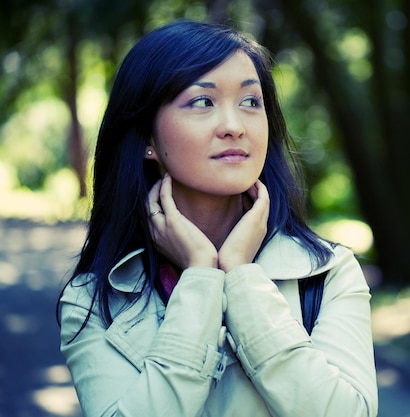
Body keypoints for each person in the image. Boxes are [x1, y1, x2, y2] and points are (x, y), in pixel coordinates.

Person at [57, 19, 378, 417]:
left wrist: (240, 276)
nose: (233, 126)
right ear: (147, 140)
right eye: (202, 102)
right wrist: (201, 278)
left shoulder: (326, 274)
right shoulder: (94, 301)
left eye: (250, 102)